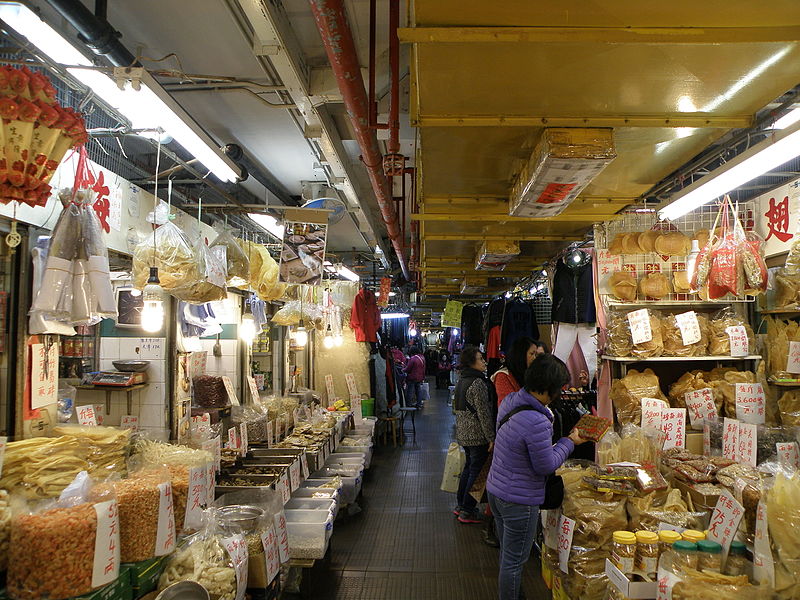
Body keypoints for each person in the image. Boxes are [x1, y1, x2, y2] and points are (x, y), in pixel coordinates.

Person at [486, 354, 588, 600]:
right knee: (514, 562)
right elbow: (546, 465)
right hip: (519, 500)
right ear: (551, 389)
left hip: (496, 491)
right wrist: (569, 441)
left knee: (507, 558)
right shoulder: (536, 420)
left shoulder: (511, 401)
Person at [453, 345, 497, 524]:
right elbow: (484, 414)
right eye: (480, 359)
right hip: (477, 435)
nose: (484, 362)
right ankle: (467, 510)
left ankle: (460, 505)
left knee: (468, 469)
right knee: (475, 473)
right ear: (472, 362)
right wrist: (491, 438)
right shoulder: (478, 383)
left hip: (464, 434)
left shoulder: (462, 380)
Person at [491, 337, 537, 406]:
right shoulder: (503, 375)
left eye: (536, 354)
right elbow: (508, 405)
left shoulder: (529, 372)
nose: (534, 358)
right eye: (532, 354)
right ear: (521, 354)